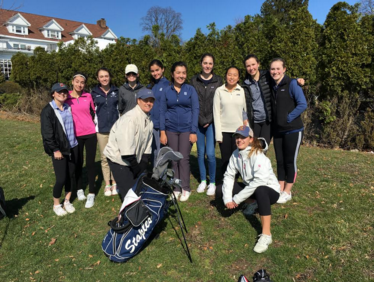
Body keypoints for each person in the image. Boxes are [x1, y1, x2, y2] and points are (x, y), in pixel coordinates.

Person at [215, 125, 280, 253]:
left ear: (250, 139)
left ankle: (266, 235)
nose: (239, 140)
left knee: (260, 190)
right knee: (220, 189)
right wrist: (228, 198)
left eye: (243, 137)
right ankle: (252, 203)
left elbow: (258, 182)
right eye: (237, 137)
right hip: (252, 188)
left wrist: (237, 199)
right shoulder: (236, 154)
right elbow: (229, 175)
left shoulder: (257, 155)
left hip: (269, 191)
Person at [104, 88, 154, 200]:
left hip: (132, 159)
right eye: (145, 100)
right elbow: (126, 149)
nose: (148, 103)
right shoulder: (130, 118)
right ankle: (127, 214)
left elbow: (147, 145)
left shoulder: (149, 120)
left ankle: (136, 210)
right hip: (118, 158)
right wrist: (136, 167)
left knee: (137, 188)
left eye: (151, 100)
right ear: (138, 100)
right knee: (129, 193)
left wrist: (143, 163)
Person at [242, 54, 305, 146]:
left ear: (258, 64)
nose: (251, 68)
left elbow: (282, 78)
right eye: (248, 66)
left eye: (253, 64)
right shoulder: (245, 84)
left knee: (262, 148)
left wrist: (297, 80)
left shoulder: (268, 76)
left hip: (268, 121)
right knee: (253, 148)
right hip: (254, 121)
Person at [160, 61, 199, 202]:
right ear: (172, 74)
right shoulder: (166, 91)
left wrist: (193, 131)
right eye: (178, 73)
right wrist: (162, 132)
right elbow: (162, 111)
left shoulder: (190, 90)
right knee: (174, 159)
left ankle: (186, 188)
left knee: (183, 159)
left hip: (186, 130)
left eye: (183, 73)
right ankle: (176, 188)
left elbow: (195, 110)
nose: (181, 75)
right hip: (170, 129)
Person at [269, 58, 307, 204]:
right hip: (278, 131)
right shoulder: (273, 85)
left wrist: (288, 118)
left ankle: (287, 191)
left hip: (293, 130)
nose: (275, 71)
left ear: (284, 69)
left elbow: (302, 104)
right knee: (279, 160)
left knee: (290, 161)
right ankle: (280, 188)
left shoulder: (292, 84)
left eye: (278, 68)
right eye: (273, 69)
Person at [41, 83, 78, 216]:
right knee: (61, 178)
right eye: (59, 92)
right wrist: (55, 149)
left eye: (64, 92)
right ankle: (56, 204)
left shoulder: (68, 107)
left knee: (70, 175)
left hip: (73, 146)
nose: (62, 94)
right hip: (59, 150)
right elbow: (47, 134)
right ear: (53, 94)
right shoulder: (48, 111)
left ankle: (67, 201)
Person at [190, 53, 223, 196]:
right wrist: (199, 119)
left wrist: (209, 120)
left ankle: (212, 182)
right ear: (201, 64)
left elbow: (220, 103)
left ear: (213, 65)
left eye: (210, 63)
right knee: (200, 153)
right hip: (197, 122)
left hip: (211, 123)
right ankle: (203, 180)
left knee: (210, 153)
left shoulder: (218, 81)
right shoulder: (193, 81)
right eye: (205, 63)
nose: (207, 66)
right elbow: (192, 102)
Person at [66, 72, 97, 208]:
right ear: (72, 82)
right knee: (78, 163)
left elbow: (93, 112)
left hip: (90, 133)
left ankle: (91, 192)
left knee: (90, 164)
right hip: (75, 135)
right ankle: (79, 189)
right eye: (77, 81)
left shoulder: (88, 96)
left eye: (82, 82)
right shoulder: (65, 97)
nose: (79, 84)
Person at [213, 66, 247, 174]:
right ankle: (225, 184)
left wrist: (246, 131)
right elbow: (216, 113)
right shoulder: (219, 91)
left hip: (238, 132)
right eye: (229, 74)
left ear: (238, 78)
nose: (231, 77)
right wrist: (218, 134)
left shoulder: (241, 91)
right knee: (226, 160)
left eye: (235, 75)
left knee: (238, 159)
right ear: (226, 76)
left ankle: (235, 184)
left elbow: (245, 112)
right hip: (224, 131)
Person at [91, 68, 119, 197]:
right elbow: (91, 111)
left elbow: (120, 110)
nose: (104, 78)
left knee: (115, 156)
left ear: (110, 77)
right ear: (98, 78)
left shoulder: (116, 91)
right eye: (101, 76)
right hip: (101, 130)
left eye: (106, 76)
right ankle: (107, 184)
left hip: (115, 130)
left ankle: (115, 182)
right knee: (104, 157)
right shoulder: (94, 93)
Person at [148, 59, 169, 166]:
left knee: (161, 152)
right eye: (152, 71)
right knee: (154, 151)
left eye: (157, 70)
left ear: (162, 69)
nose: (155, 73)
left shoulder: (168, 85)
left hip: (163, 125)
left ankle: (161, 176)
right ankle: (155, 176)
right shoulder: (150, 86)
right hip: (151, 124)